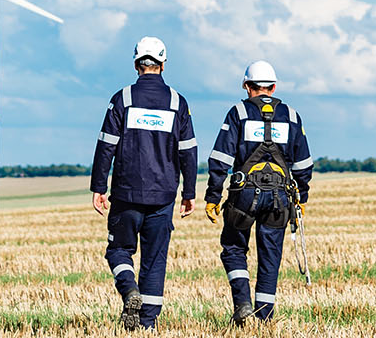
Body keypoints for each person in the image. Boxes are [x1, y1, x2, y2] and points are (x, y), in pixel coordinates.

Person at [90, 36, 197, 330]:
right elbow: (188, 150)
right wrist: (189, 192)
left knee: (118, 250)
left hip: (126, 193)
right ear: (162, 64)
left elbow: (106, 146)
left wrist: (99, 187)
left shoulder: (122, 99)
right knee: (154, 260)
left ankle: (128, 289)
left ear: (137, 63)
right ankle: (146, 325)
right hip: (163, 196)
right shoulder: (178, 102)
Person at [204, 60, 314, 325]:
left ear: (246, 86)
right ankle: (264, 318)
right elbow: (304, 164)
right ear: (273, 87)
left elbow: (220, 157)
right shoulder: (291, 115)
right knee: (270, 257)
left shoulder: (238, 113)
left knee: (232, 247)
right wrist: (303, 195)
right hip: (280, 198)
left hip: (244, 195)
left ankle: (242, 305)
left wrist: (213, 196)